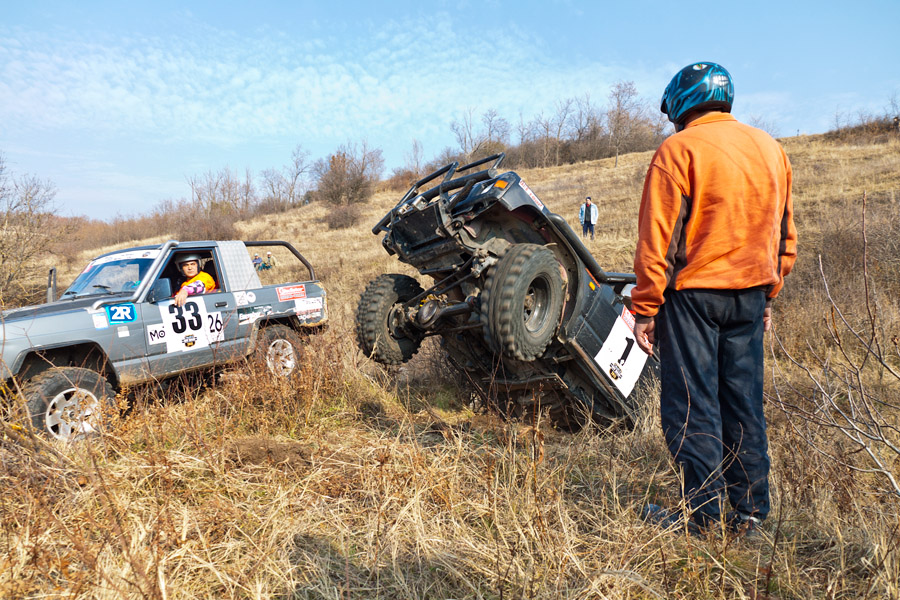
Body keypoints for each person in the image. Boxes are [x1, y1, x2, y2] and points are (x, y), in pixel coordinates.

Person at [632, 62, 797, 536]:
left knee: (692, 406)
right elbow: (784, 233)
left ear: (681, 104)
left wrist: (645, 309)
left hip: (693, 299)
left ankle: (704, 520)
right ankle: (750, 516)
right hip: (751, 297)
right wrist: (769, 295)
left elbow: (657, 241)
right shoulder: (771, 148)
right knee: (743, 404)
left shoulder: (678, 150)